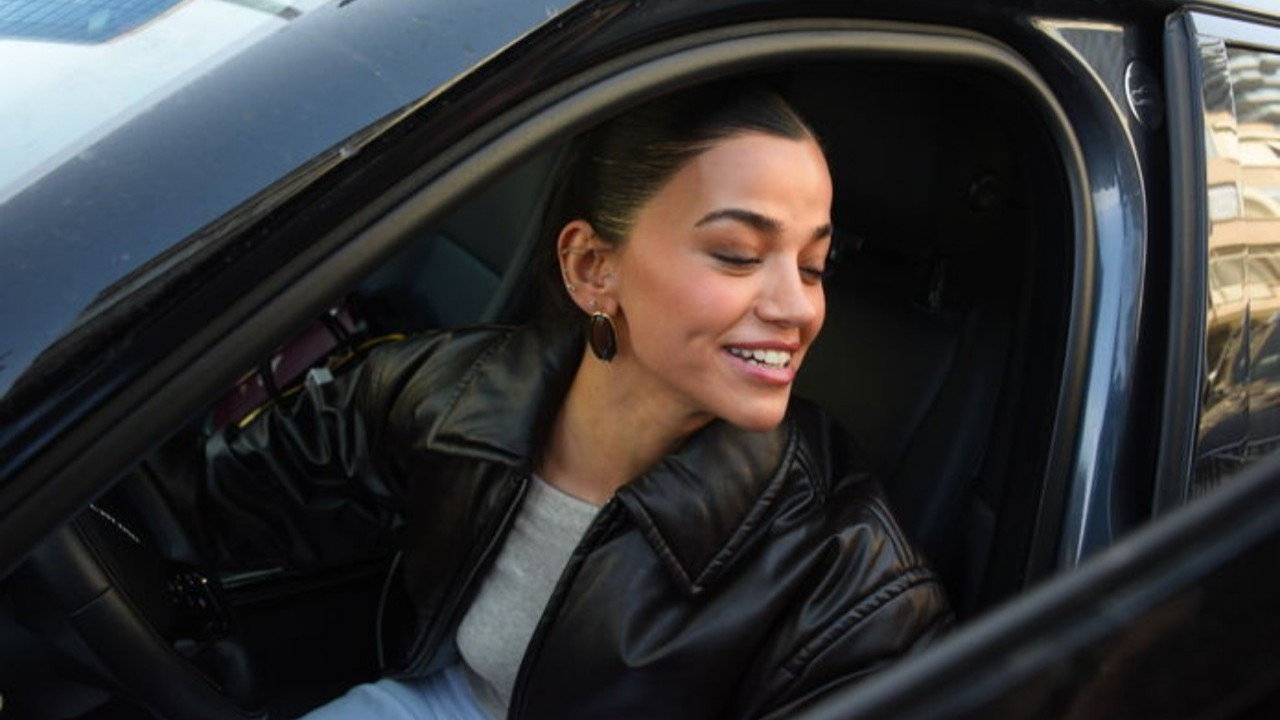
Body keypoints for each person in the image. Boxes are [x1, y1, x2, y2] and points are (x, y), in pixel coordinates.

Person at [204, 81, 951, 719]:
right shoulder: (455, 393)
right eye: (739, 254)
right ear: (593, 267)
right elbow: (214, 501)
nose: (799, 308)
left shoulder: (847, 578)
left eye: (815, 265)